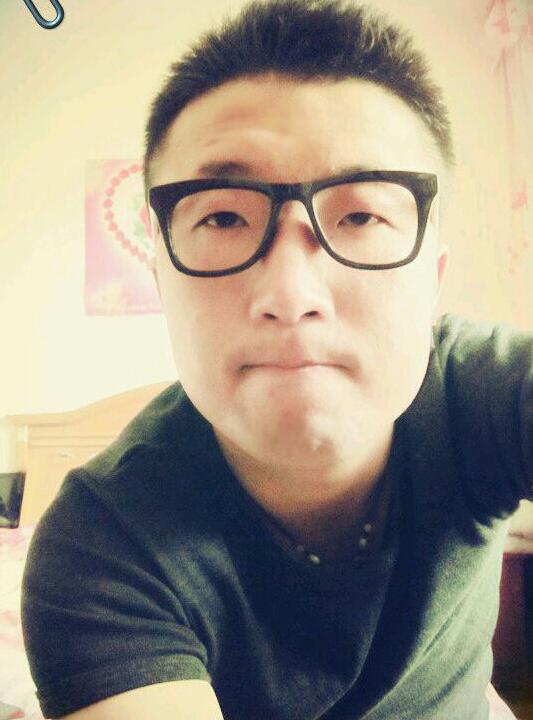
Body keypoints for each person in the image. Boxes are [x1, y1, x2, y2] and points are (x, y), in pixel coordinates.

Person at [21, 0, 532, 718]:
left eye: (361, 215)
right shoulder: (101, 544)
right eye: (224, 216)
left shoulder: (491, 391)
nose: (291, 295)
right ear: (161, 277)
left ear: (433, 281)